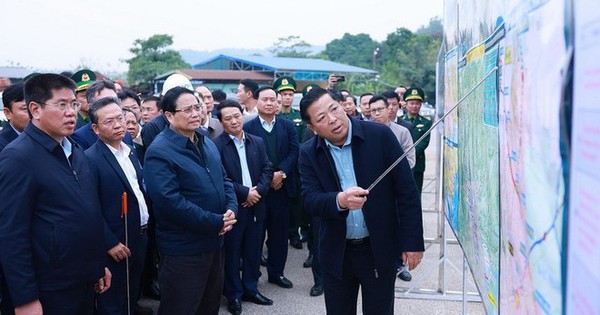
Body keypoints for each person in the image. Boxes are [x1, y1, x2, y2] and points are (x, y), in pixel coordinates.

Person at [298, 87, 424, 315]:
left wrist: (412, 242)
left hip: (377, 248)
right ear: (312, 128)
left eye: (334, 109)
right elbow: (309, 199)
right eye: (322, 118)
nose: (333, 119)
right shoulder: (308, 152)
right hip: (337, 252)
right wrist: (340, 200)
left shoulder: (380, 136)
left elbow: (407, 192)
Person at [0, 73, 112, 315]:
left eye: (73, 103)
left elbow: (87, 213)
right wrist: (25, 298)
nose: (71, 111)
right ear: (35, 110)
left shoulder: (75, 150)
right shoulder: (18, 157)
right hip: (49, 287)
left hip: (82, 280)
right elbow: (11, 235)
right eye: (61, 105)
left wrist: (97, 265)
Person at [144, 86, 237, 315]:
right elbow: (170, 203)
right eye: (187, 110)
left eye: (197, 107)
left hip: (215, 243)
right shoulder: (159, 151)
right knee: (181, 307)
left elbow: (224, 179)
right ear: (169, 116)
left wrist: (231, 209)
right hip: (183, 250)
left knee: (209, 305)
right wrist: (216, 222)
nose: (196, 113)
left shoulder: (204, 139)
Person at [84, 97, 151, 315]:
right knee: (112, 300)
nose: (119, 125)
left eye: (120, 118)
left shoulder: (129, 151)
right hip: (115, 244)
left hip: (138, 235)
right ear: (95, 128)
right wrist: (109, 242)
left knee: (131, 294)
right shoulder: (90, 159)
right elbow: (89, 208)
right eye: (110, 121)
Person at [214, 100, 275, 315]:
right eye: (228, 118)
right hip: (234, 206)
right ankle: (233, 295)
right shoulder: (216, 146)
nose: (234, 121)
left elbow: (268, 167)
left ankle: (251, 288)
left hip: (257, 204)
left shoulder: (256, 141)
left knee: (253, 249)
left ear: (243, 115)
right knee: (232, 252)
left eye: (237, 116)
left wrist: (258, 191)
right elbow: (222, 179)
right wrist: (245, 193)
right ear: (221, 122)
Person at [244, 86, 299, 289]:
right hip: (259, 190)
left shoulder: (287, 126)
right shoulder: (247, 127)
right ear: (257, 102)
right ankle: (251, 277)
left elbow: (295, 151)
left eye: (272, 100)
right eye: (264, 99)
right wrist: (266, 180)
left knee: (279, 234)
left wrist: (281, 173)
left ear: (278, 103)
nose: (269, 103)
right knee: (255, 235)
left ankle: (277, 273)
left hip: (282, 188)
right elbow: (248, 158)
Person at [273, 76, 308, 251]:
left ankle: (293, 234)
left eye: (290, 94)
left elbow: (301, 144)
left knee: (295, 202)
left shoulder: (299, 117)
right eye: (283, 94)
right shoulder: (273, 117)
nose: (287, 97)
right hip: (275, 168)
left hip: (295, 168)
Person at [72, 80, 134, 150]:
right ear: (90, 107)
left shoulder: (126, 135)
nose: (112, 105)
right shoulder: (80, 137)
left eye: (115, 101)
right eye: (105, 102)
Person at [368, 95, 415, 169]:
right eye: (373, 110)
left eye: (380, 109)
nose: (377, 113)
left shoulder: (402, 132)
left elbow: (410, 160)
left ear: (388, 109)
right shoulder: (365, 133)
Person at [401, 87, 432, 195]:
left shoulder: (426, 122)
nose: (414, 106)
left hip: (418, 163)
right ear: (406, 104)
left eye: (417, 103)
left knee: (416, 193)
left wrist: (409, 154)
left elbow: (424, 142)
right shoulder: (399, 120)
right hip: (401, 163)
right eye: (412, 103)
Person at [0, 83, 29, 151]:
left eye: (36, 108)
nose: (34, 114)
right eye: (25, 109)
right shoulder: (3, 145)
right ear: (8, 113)